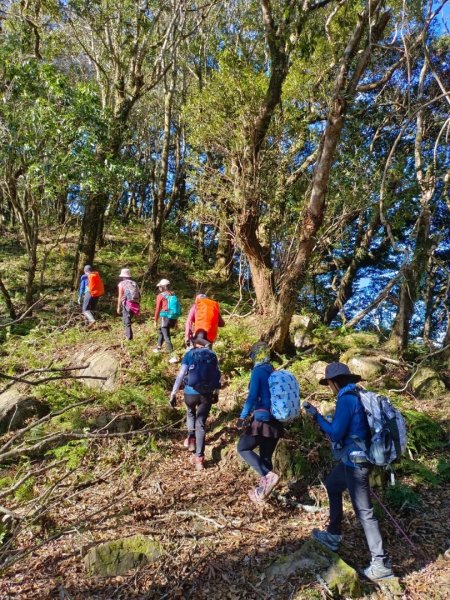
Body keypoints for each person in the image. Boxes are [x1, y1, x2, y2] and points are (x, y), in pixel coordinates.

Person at [303, 362, 394, 581]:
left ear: (334, 383)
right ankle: (333, 535)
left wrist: (316, 415)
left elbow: (335, 433)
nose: (328, 388)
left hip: (356, 464)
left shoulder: (346, 399)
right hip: (351, 460)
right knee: (332, 485)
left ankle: (380, 563)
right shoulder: (357, 395)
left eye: (328, 384)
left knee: (364, 512)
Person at [236, 342, 282, 503]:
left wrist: (242, 417)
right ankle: (264, 495)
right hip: (276, 422)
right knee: (265, 458)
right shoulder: (273, 371)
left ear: (255, 355)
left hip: (262, 421)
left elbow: (253, 396)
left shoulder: (258, 371)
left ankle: (269, 477)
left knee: (242, 447)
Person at [169, 337, 221, 471]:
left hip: (190, 393)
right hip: (206, 394)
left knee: (191, 413)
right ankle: (199, 458)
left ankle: (191, 439)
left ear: (194, 344)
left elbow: (181, 374)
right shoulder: (212, 355)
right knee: (201, 423)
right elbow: (217, 375)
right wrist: (216, 393)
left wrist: (173, 393)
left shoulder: (189, 354)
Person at [154, 279, 179, 364]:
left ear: (163, 287)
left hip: (164, 317)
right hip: (172, 317)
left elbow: (157, 309)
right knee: (161, 331)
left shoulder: (160, 296)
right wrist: (176, 322)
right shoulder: (173, 294)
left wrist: (155, 320)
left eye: (160, 286)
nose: (159, 288)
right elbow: (175, 309)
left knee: (166, 336)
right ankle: (158, 348)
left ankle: (173, 356)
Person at [116, 268, 140, 340]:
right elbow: (139, 294)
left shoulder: (121, 284)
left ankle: (129, 338)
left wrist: (118, 307)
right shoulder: (134, 283)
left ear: (123, 276)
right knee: (128, 320)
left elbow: (120, 295)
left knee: (126, 321)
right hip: (135, 304)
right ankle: (128, 336)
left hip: (127, 304)